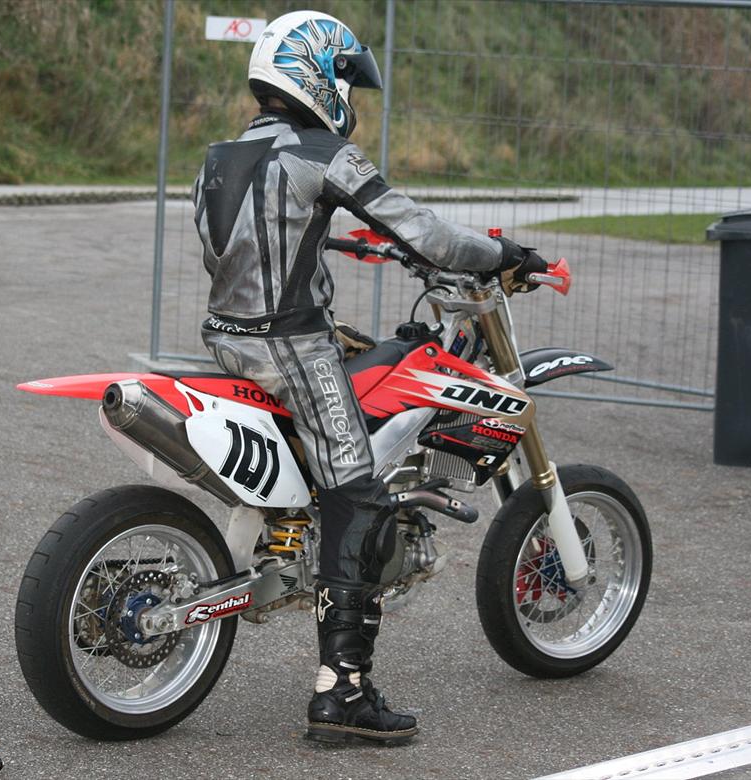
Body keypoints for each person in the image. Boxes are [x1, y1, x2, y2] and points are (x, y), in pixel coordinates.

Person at [191, 10, 548, 745]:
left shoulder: (220, 155)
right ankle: (343, 692)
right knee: (359, 494)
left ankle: (288, 531)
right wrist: (507, 251)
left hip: (225, 339)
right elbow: (430, 237)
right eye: (344, 78)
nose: (349, 94)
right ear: (315, 74)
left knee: (359, 376)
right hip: (290, 349)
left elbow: (248, 250)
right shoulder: (325, 153)